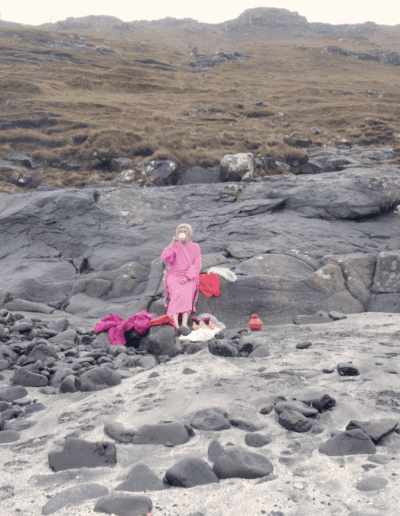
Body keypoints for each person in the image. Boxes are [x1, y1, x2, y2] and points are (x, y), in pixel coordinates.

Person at [161, 223, 202, 329]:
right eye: (180, 231)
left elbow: (197, 264)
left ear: (189, 233)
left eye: (185, 230)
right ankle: (175, 322)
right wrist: (172, 244)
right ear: (177, 234)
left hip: (189, 276)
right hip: (174, 275)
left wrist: (187, 277)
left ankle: (184, 323)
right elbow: (165, 258)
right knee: (175, 293)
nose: (183, 232)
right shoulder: (174, 245)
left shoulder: (195, 246)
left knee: (187, 293)